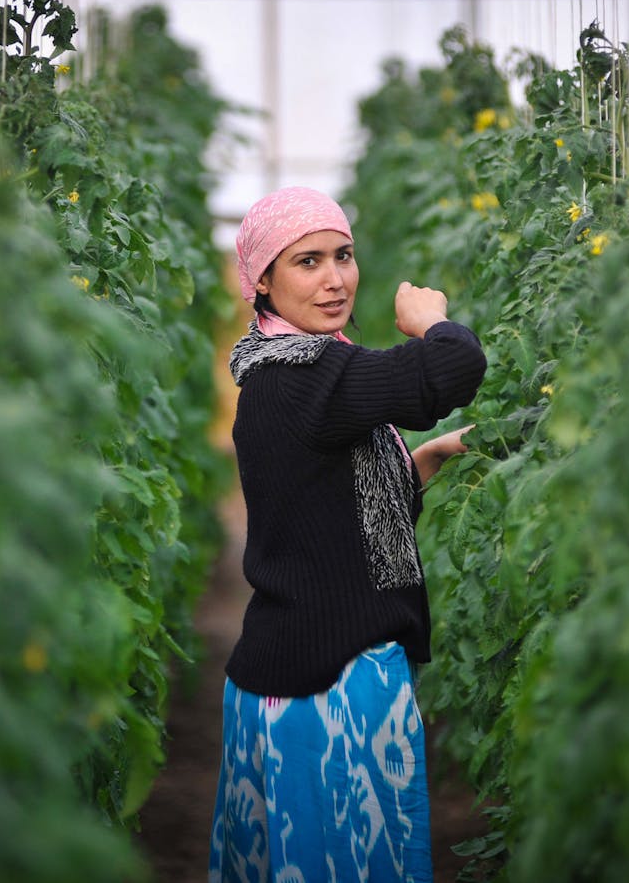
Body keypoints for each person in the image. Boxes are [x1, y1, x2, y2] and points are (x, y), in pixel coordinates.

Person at [208, 186, 487, 883]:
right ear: (262, 281)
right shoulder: (306, 376)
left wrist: (426, 459)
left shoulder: (277, 369)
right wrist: (431, 321)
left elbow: (327, 516)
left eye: (343, 255)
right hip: (328, 691)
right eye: (307, 262)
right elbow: (451, 369)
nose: (334, 279)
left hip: (294, 676)